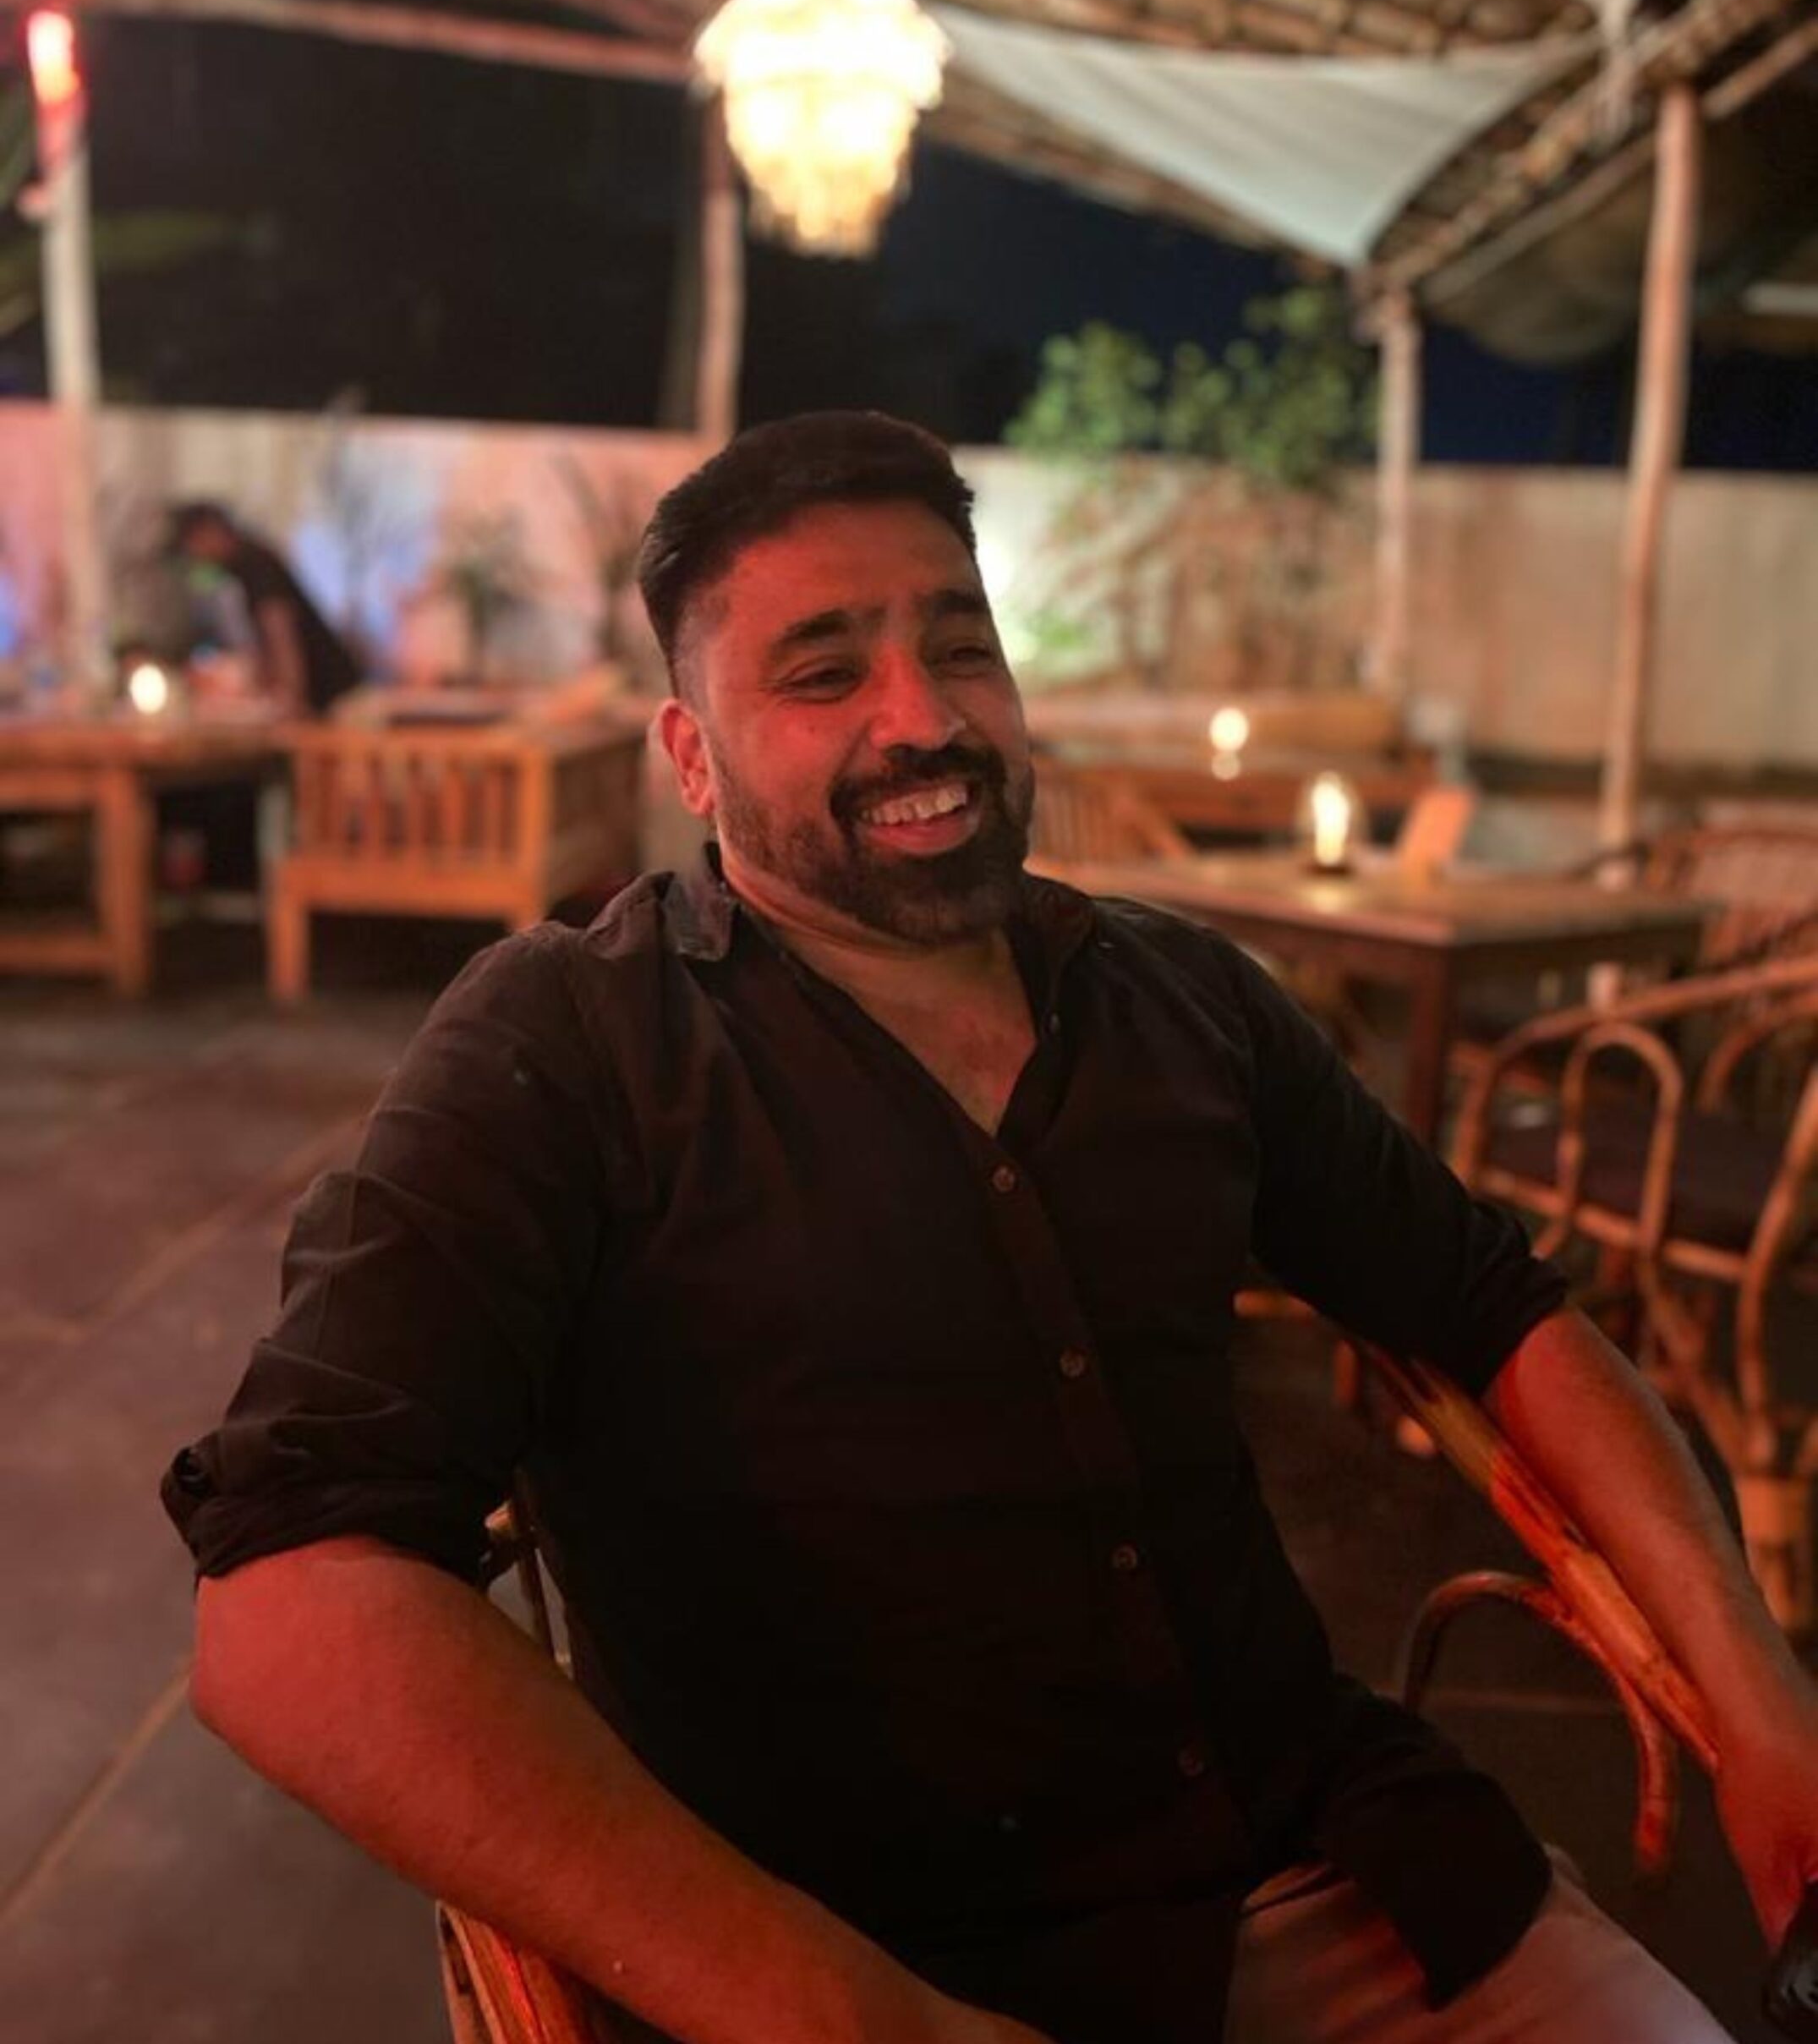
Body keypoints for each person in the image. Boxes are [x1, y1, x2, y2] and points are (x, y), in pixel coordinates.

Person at [162, 413, 1818, 2044]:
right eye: (824, 674)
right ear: (692, 755)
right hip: (864, 1947)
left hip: (1346, 1867)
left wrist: (1764, 1708)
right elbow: (291, 1591)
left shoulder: (1184, 999)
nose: (927, 717)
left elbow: (1494, 1306)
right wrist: (846, 2014)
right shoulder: (574, 1042)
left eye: (962, 647)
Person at [162, 501, 364, 715]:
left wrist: (290, 696)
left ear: (209, 531)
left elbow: (280, 631)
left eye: (191, 544)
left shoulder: (255, 563)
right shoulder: (240, 569)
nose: (194, 555)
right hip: (323, 696)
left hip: (335, 697)